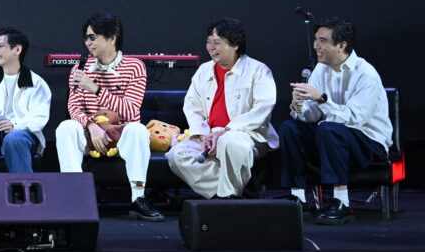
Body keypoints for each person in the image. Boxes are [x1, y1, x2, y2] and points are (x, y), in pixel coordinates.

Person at [282, 18, 393, 224]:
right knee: (291, 127)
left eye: (323, 41)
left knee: (328, 129)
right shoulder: (320, 69)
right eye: (316, 40)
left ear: (341, 45)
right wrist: (297, 105)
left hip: (369, 141)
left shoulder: (365, 73)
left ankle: (342, 202)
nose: (316, 46)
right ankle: (297, 197)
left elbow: (354, 119)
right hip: (331, 137)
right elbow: (311, 116)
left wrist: (322, 99)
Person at [55, 13, 164, 221]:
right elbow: (74, 107)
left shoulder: (134, 66)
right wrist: (91, 126)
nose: (87, 43)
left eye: (92, 37)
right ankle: (75, 196)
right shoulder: (79, 68)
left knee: (138, 130)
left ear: (112, 38)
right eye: (86, 38)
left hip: (120, 134)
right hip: (91, 135)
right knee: (66, 127)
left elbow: (131, 111)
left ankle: (138, 198)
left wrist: (95, 89)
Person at [166, 18, 278, 201]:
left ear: (235, 45)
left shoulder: (258, 70)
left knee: (230, 142)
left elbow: (263, 109)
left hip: (246, 134)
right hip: (209, 134)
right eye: (209, 42)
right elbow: (192, 107)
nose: (211, 47)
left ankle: (226, 200)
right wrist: (203, 136)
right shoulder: (204, 70)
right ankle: (236, 190)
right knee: (177, 155)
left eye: (217, 42)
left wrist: (226, 131)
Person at [0, 27, 51, 173]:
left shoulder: (37, 83)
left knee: (14, 139)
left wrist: (15, 125)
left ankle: (23, 186)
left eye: (1, 46)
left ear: (17, 49)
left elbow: (39, 117)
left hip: (22, 133)